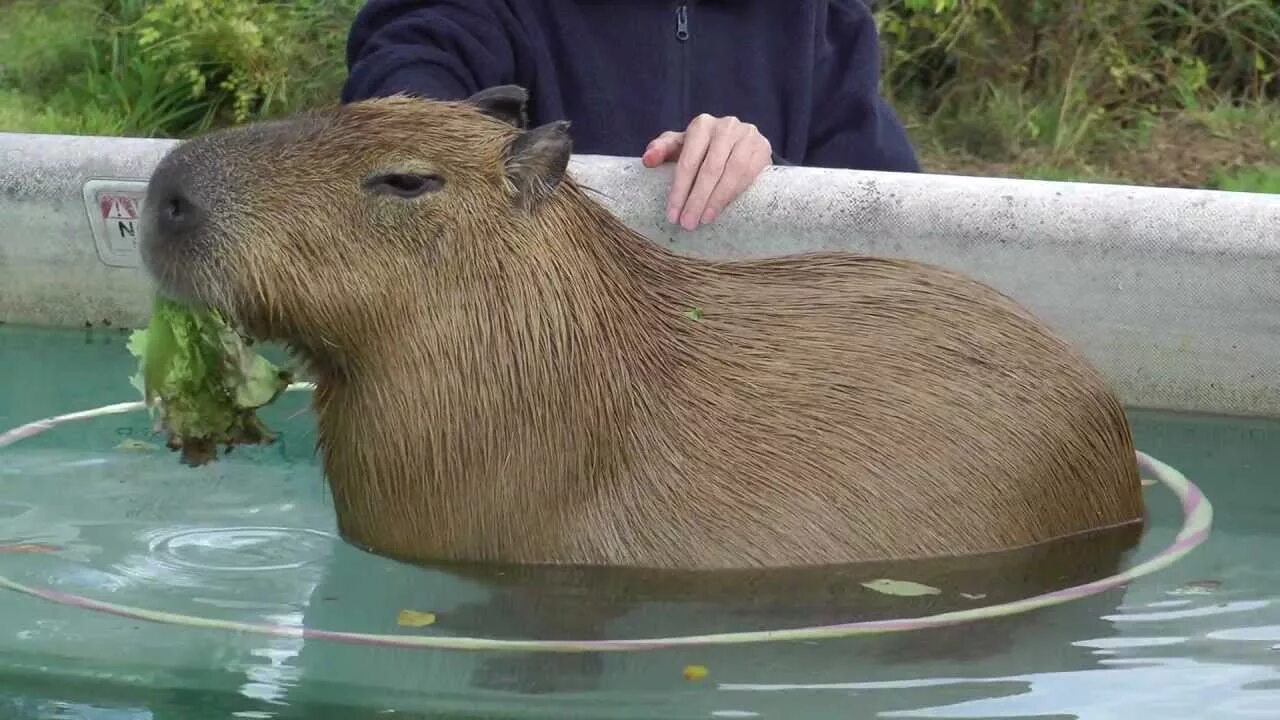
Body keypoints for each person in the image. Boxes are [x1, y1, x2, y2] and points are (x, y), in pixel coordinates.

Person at [342, 0, 920, 230]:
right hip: (539, 400)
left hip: (760, 406)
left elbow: (895, 215)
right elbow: (407, 76)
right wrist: (461, 151)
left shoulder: (822, 17)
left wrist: (772, 179)